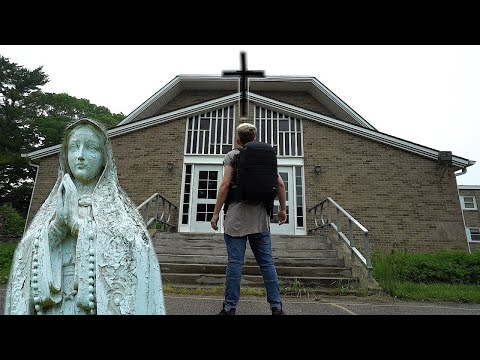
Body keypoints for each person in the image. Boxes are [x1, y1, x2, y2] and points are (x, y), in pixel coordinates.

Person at [4, 118, 166, 315]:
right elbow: (26, 253)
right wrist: (57, 226)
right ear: (65, 155)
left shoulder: (117, 208)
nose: (80, 155)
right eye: (74, 147)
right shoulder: (54, 204)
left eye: (90, 148)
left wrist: (75, 224)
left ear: (104, 157)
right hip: (57, 305)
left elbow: (134, 247)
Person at [210, 122, 287, 315]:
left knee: (235, 264)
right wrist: (282, 210)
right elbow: (280, 184)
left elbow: (225, 185)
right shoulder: (266, 157)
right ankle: (276, 307)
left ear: (238, 140)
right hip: (260, 220)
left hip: (236, 219)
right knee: (267, 264)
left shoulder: (232, 156)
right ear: (254, 138)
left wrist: (216, 213)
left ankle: (229, 308)